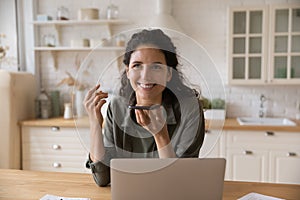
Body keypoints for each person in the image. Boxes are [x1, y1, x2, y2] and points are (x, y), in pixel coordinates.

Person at [84, 29, 205, 187]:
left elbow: (177, 182)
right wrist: (95, 124)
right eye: (137, 66)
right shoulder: (117, 107)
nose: (145, 76)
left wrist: (161, 136)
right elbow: (102, 179)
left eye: (156, 67)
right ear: (128, 72)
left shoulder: (190, 109)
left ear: (169, 73)